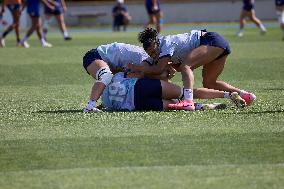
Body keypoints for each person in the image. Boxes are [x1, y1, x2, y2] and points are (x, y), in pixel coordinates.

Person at [128, 28, 256, 111]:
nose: (153, 55)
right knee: (209, 83)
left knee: (186, 66)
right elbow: (174, 68)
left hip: (211, 40)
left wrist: (138, 68)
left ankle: (188, 101)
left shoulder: (166, 43)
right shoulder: (163, 51)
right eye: (150, 54)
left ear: (157, 43)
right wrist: (169, 66)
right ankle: (246, 95)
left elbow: (159, 68)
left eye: (153, 51)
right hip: (217, 44)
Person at [101, 72, 245, 112]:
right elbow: (139, 75)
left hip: (139, 103)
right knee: (186, 93)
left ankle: (201, 107)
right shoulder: (116, 76)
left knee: (175, 104)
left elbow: (112, 107)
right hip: (143, 86)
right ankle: (228, 94)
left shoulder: (108, 103)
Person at [82, 42, 158, 113]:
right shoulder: (144, 60)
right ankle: (90, 106)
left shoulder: (146, 60)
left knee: (114, 80)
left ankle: (98, 104)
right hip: (95, 56)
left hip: (108, 62)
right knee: (106, 76)